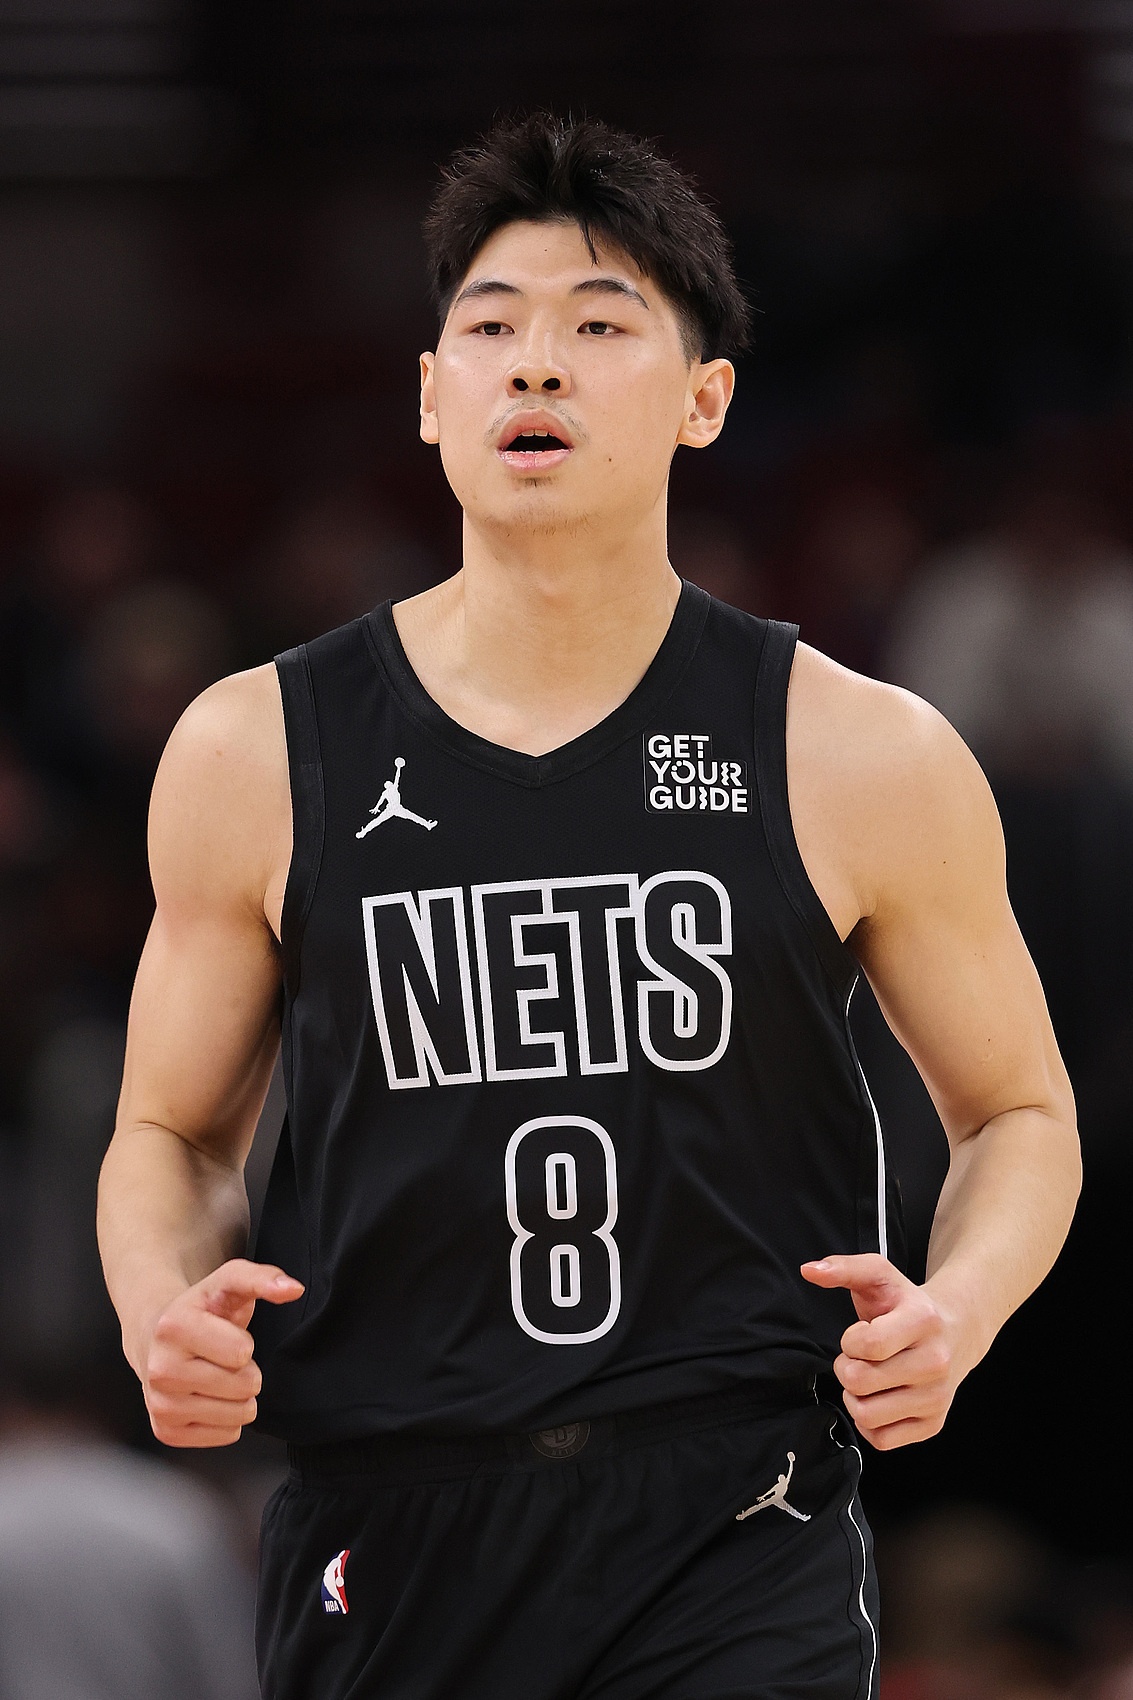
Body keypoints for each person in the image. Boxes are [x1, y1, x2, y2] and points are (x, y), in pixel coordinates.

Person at [97, 114, 1080, 1700]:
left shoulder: (857, 749)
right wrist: (163, 1304)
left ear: (705, 401)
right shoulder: (253, 748)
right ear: (432, 396)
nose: (536, 364)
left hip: (732, 1513)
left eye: (600, 326)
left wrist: (954, 1311)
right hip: (393, 1513)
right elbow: (169, 1133)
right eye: (490, 329)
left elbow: (1020, 1112)